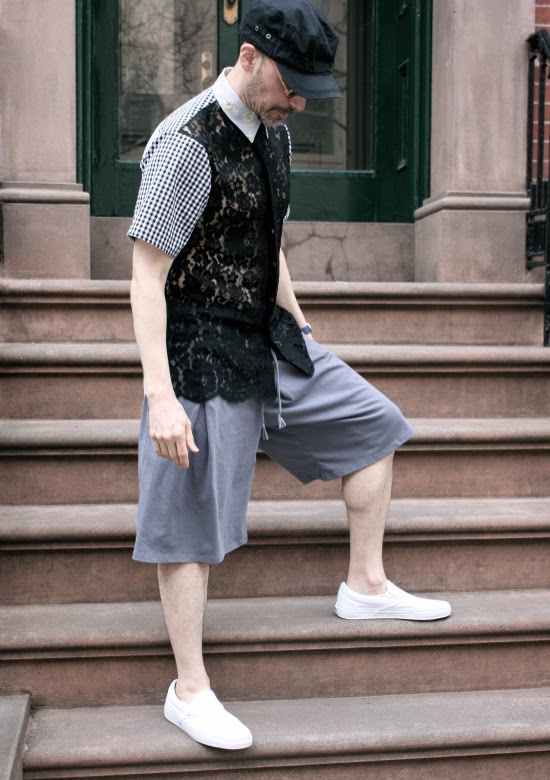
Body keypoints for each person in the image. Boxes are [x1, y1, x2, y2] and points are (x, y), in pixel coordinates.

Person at [128, 0, 451, 752]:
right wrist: (160, 396)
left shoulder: (272, 132)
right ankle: (189, 690)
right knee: (188, 524)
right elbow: (146, 278)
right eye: (291, 85)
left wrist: (301, 327)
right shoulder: (184, 144)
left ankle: (365, 586)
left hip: (266, 336)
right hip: (199, 348)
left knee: (373, 426)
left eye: (310, 91)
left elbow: (265, 241)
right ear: (248, 56)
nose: (299, 103)